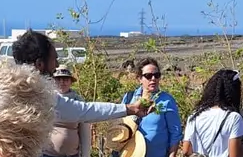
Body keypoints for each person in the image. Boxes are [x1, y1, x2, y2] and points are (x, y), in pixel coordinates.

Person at [11, 30, 147, 123]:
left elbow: (83, 110)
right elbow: (84, 111)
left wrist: (129, 108)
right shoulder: (41, 98)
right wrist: (130, 108)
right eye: (54, 59)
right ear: (40, 64)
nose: (57, 65)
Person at [42, 66, 92, 157]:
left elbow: (85, 131)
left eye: (65, 79)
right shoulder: (45, 100)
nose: (62, 82)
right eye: (58, 79)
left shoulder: (78, 101)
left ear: (70, 81)